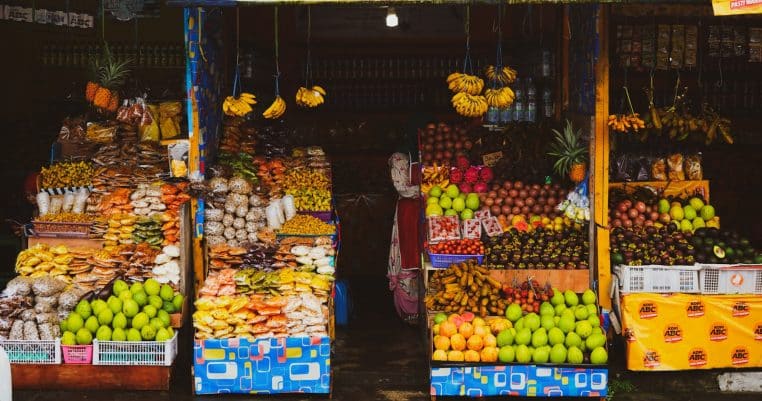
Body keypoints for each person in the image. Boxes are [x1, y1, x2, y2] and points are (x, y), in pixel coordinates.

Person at [387, 152, 420, 324]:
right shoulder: (399, 158)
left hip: (424, 212)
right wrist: (425, 190)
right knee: (408, 256)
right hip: (409, 213)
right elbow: (402, 188)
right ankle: (409, 310)